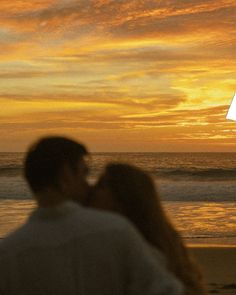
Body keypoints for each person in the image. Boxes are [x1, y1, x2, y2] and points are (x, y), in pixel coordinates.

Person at [0, 136, 184, 295]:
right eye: (84, 173)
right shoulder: (115, 229)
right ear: (65, 175)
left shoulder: (8, 251)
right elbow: (165, 290)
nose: (89, 186)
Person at [89, 163, 206, 295]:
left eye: (101, 185)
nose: (92, 190)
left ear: (123, 197)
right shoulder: (155, 240)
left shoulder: (140, 249)